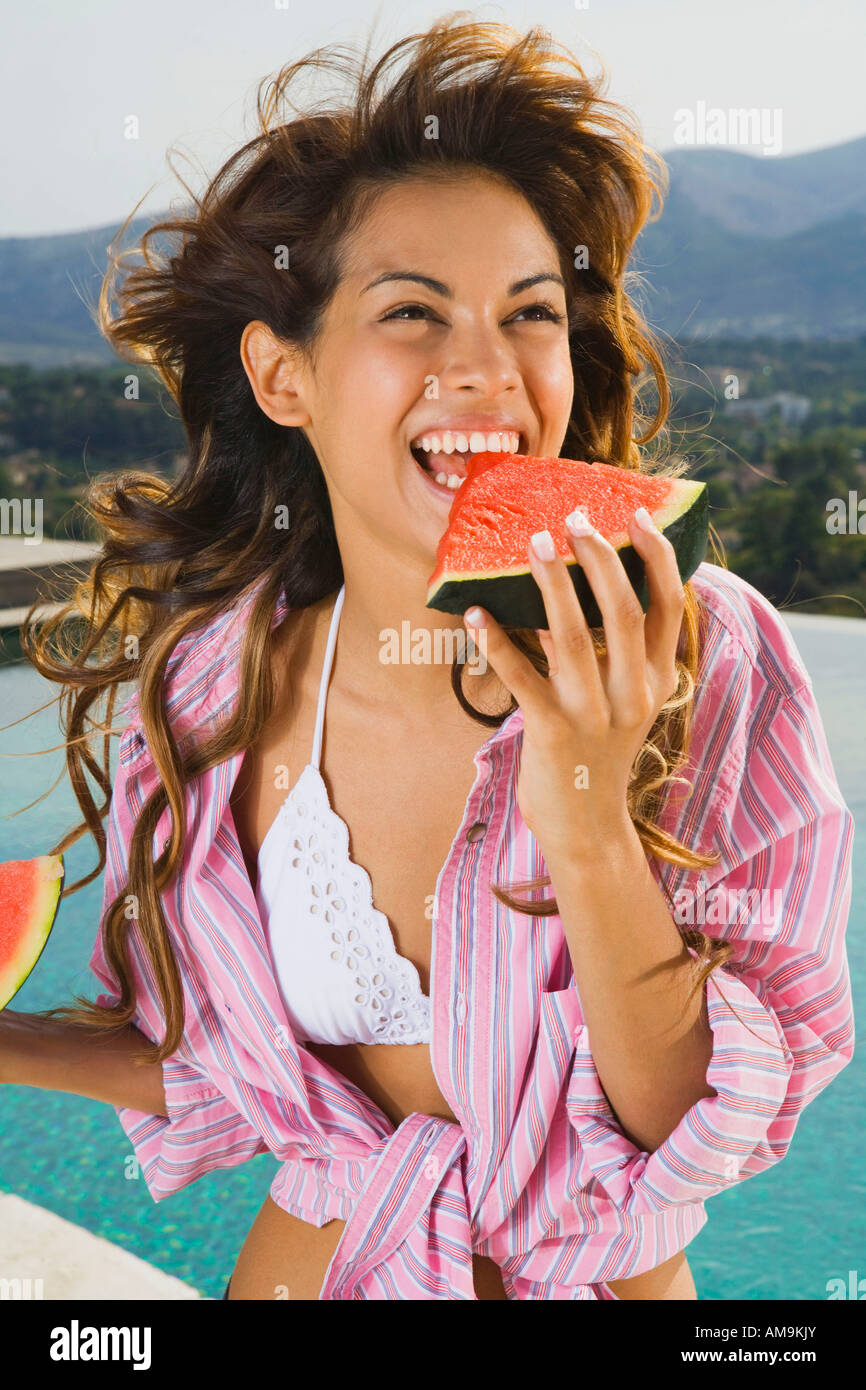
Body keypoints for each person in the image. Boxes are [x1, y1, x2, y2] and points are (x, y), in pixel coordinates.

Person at [2, 18, 854, 1301]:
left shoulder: (698, 646)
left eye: (531, 313)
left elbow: (683, 1126)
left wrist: (582, 800)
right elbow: (210, 1061)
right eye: (413, 311)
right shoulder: (211, 685)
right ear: (283, 376)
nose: (484, 368)